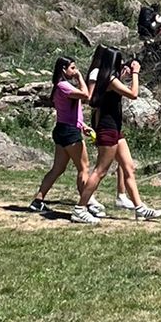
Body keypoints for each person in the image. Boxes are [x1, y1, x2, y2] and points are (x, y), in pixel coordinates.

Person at [80, 51, 161, 221]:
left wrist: (124, 77)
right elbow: (133, 94)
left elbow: (120, 91)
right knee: (100, 171)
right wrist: (135, 73)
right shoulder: (109, 79)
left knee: (129, 167)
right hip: (107, 128)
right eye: (120, 63)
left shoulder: (110, 78)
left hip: (116, 129)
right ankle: (80, 208)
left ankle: (139, 207)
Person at [31, 56, 103, 221]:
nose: (75, 70)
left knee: (58, 169)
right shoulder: (63, 86)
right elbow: (86, 95)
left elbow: (71, 111)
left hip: (64, 129)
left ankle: (38, 200)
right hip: (69, 133)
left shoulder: (61, 87)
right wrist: (80, 78)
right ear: (63, 70)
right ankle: (84, 206)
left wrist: (82, 125)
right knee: (83, 168)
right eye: (72, 68)